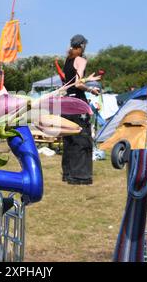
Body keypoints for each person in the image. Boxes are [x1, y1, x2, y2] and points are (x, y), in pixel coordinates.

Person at [61, 34, 101, 185]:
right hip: (77, 102)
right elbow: (78, 84)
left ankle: (68, 173)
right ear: (82, 45)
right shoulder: (81, 60)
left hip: (65, 102)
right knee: (81, 138)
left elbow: (67, 84)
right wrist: (91, 90)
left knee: (68, 138)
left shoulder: (68, 60)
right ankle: (80, 176)